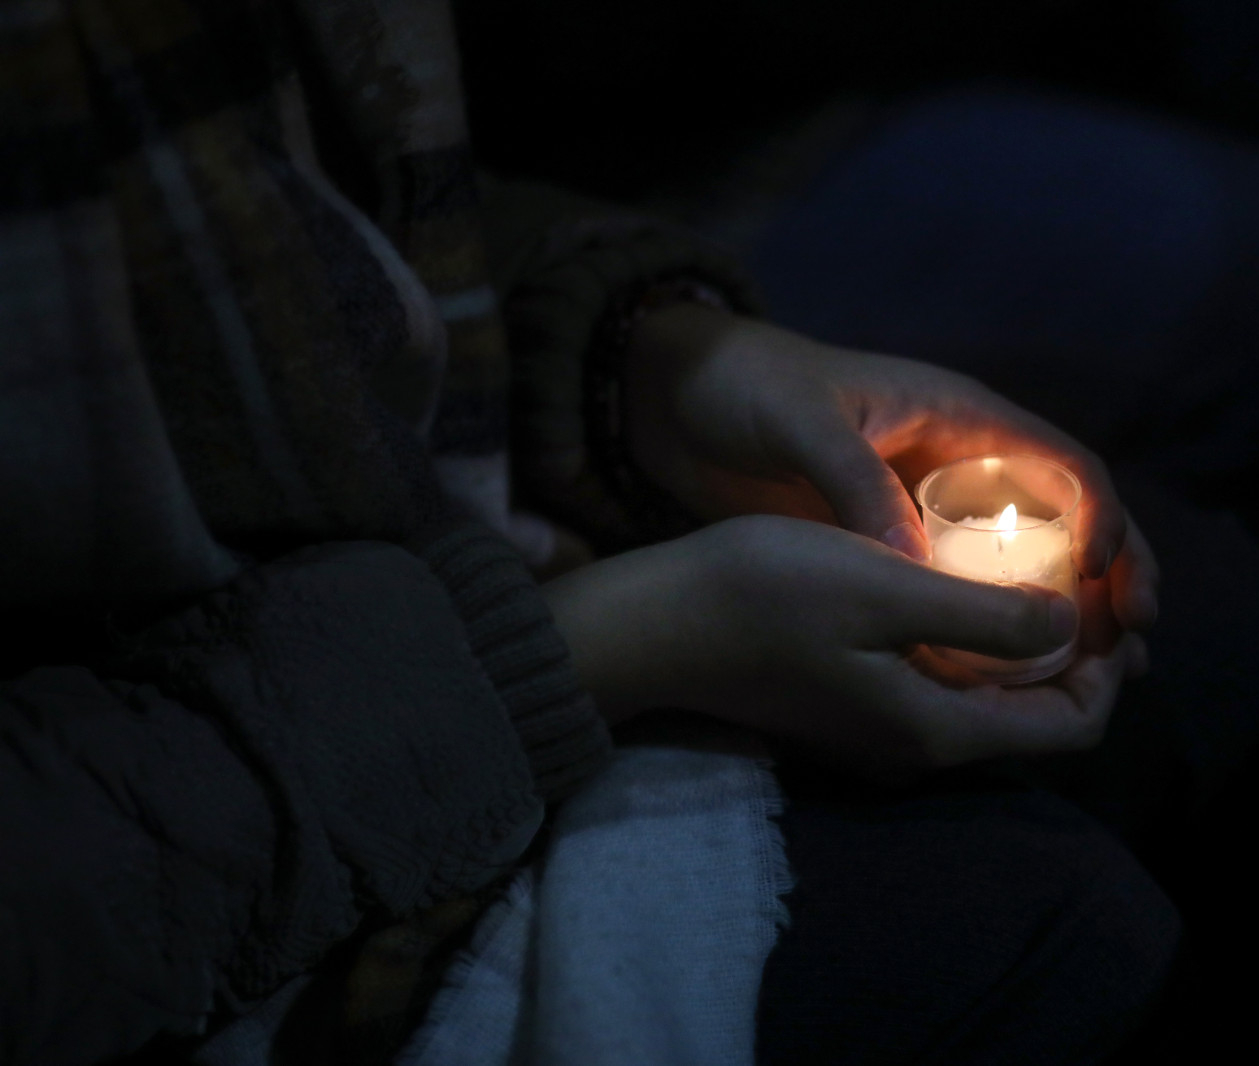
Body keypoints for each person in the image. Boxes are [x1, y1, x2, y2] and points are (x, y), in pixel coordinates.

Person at [0, 2, 1184, 1064]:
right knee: (1058, 922)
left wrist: (646, 364)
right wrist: (605, 647)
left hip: (449, 567)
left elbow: (313, 228)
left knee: (1210, 629)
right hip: (273, 798)